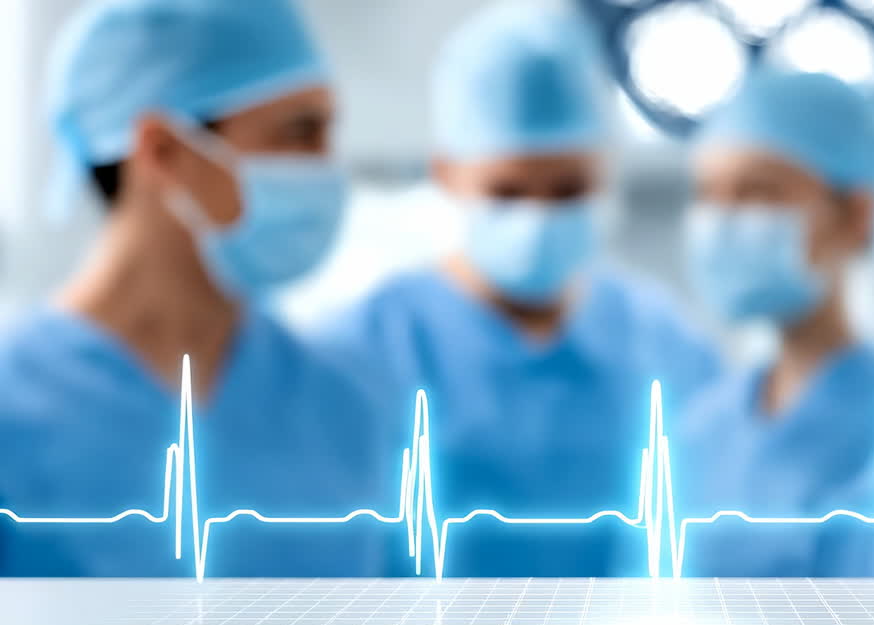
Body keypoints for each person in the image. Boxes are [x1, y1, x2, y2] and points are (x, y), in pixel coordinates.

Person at [320, 2, 718, 578]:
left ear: (605, 172)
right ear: (447, 173)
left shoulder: (664, 344)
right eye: (507, 191)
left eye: (567, 188)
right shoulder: (365, 349)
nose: (537, 216)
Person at [0, 0, 394, 577]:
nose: (327, 168)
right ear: (164, 151)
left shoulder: (344, 403)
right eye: (299, 132)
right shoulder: (16, 409)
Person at [672, 68, 874, 577]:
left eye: (757, 192)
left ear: (856, 215)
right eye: (708, 194)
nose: (722, 221)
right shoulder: (703, 429)